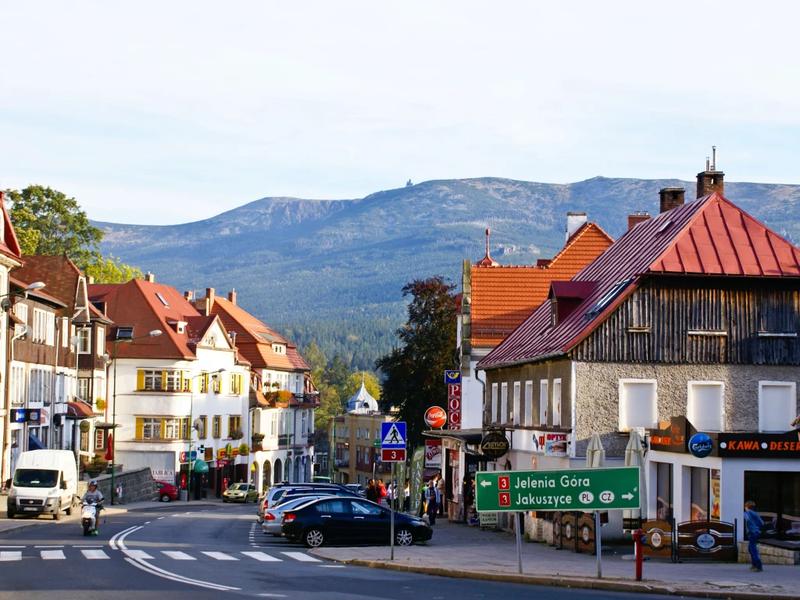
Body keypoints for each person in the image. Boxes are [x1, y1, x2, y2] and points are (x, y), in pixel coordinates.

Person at [744, 500, 764, 572]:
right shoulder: (755, 514)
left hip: (752, 532)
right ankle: (754, 565)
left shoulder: (747, 513)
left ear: (746, 507)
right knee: (751, 548)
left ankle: (758, 566)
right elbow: (762, 523)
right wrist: (756, 526)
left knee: (753, 549)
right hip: (757, 532)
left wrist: (751, 526)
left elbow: (747, 520)